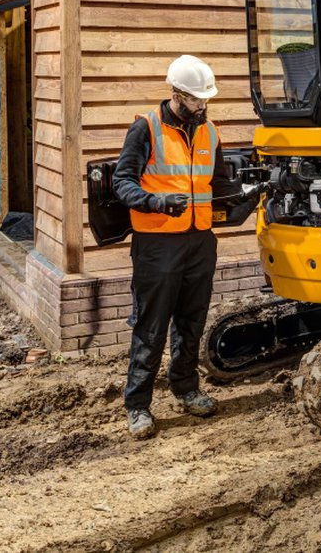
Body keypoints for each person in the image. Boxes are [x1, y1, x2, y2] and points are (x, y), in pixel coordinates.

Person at [112, 55, 249, 439]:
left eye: (205, 100)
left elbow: (219, 186)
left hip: (199, 243)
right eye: (194, 100)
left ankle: (186, 387)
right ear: (176, 94)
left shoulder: (210, 132)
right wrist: (156, 202)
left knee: (192, 321)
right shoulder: (146, 129)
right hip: (157, 244)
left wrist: (250, 195)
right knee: (151, 326)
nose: (201, 107)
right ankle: (138, 404)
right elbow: (122, 182)